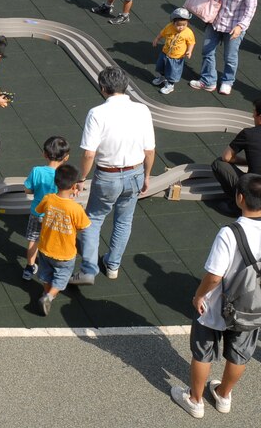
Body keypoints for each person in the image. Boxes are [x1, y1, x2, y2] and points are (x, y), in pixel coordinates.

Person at [170, 173, 261, 418]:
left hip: (217, 306)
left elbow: (214, 276)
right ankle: (223, 395)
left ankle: (195, 400)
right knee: (240, 353)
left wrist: (199, 296)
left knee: (203, 351)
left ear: (240, 198)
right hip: (252, 307)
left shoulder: (230, 233)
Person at [71, 67, 155, 285]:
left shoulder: (97, 113)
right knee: (124, 220)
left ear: (103, 88)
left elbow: (89, 153)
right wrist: (147, 175)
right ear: (125, 86)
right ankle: (113, 265)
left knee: (94, 220)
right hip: (135, 172)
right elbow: (150, 150)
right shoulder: (142, 110)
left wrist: (81, 179)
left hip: (108, 175)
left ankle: (89, 270)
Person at [189, 0, 258, 95]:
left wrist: (240, 26)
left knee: (230, 57)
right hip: (216, 20)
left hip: (234, 26)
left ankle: (227, 81)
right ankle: (209, 80)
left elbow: (250, 10)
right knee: (207, 50)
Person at [35, 164, 91, 316]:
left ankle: (45, 294)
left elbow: (39, 210)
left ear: (55, 182)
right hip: (65, 253)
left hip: (45, 248)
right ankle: (49, 296)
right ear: (74, 187)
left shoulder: (48, 199)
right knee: (61, 278)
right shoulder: (76, 208)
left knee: (46, 274)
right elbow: (84, 226)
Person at [22, 136, 70, 280]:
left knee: (33, 239)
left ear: (44, 154)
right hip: (56, 213)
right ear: (66, 158)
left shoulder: (37, 171)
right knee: (55, 240)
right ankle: (54, 267)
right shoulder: (65, 174)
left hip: (37, 212)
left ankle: (29, 267)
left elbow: (27, 190)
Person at [211, 98, 261, 215]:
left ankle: (237, 205)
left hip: (255, 190)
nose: (253, 116)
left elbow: (226, 157)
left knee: (219, 164)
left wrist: (246, 161)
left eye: (254, 113)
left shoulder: (249, 133)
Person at [151, 8, 195, 95]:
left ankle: (170, 85)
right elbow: (162, 33)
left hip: (177, 57)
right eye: (179, 25)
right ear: (173, 22)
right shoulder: (169, 27)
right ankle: (162, 77)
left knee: (173, 72)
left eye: (184, 25)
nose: (181, 27)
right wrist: (157, 39)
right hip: (165, 53)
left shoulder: (188, 32)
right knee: (161, 66)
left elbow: (191, 42)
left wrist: (189, 51)